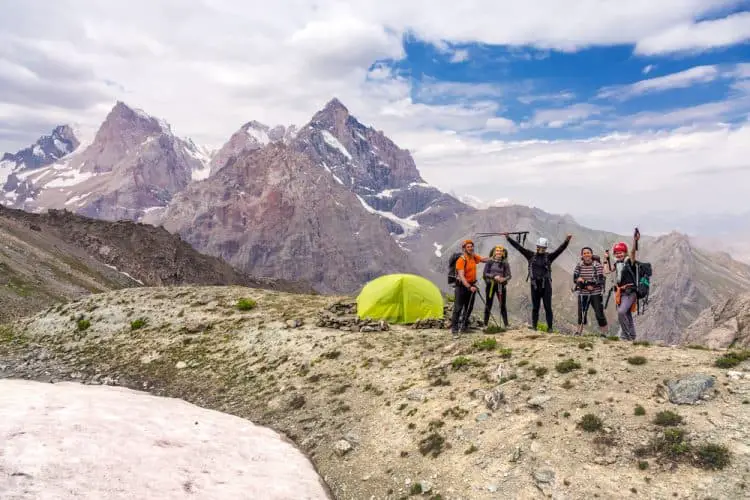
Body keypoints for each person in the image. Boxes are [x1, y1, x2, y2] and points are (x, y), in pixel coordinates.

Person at [504, 233, 572, 332]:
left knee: (547, 307)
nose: (541, 249)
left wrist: (567, 241)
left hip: (546, 285)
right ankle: (534, 327)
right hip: (535, 285)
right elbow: (519, 247)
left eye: (543, 247)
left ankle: (550, 328)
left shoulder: (549, 257)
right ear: (537, 247)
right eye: (540, 247)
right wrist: (508, 238)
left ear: (545, 248)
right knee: (535, 307)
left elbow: (560, 250)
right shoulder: (530, 255)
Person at [605, 231, 640, 341]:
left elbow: (633, 252)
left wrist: (635, 241)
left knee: (621, 312)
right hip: (623, 292)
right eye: (616, 253)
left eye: (621, 252)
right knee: (627, 313)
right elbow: (606, 271)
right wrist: (606, 259)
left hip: (630, 291)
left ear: (625, 253)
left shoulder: (629, 261)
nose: (619, 254)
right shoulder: (617, 263)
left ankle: (625, 336)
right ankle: (632, 336)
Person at [451, 239, 489, 336]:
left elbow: (483, 260)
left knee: (469, 307)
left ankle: (464, 327)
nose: (470, 248)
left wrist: (495, 258)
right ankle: (454, 330)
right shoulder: (461, 260)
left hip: (471, 285)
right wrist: (469, 287)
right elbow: (461, 276)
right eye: (468, 247)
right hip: (462, 287)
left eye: (471, 246)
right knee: (458, 308)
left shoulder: (473, 257)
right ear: (464, 248)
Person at [573, 247, 608, 335]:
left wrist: (584, 281)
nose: (586, 255)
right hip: (582, 293)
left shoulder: (597, 265)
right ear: (582, 255)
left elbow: (600, 280)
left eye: (588, 253)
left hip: (596, 293)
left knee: (599, 313)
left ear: (591, 254)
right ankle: (578, 332)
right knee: (581, 313)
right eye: (584, 253)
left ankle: (604, 334)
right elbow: (575, 278)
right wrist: (586, 284)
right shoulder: (579, 265)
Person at [482, 245, 512, 327]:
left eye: (500, 251)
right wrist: (494, 276)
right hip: (490, 285)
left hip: (501, 286)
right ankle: (485, 323)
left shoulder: (505, 263)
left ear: (503, 253)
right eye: (497, 251)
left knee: (502, 305)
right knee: (489, 304)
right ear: (494, 252)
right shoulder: (489, 262)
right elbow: (485, 274)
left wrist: (503, 279)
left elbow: (509, 275)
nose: (499, 253)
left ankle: (506, 324)